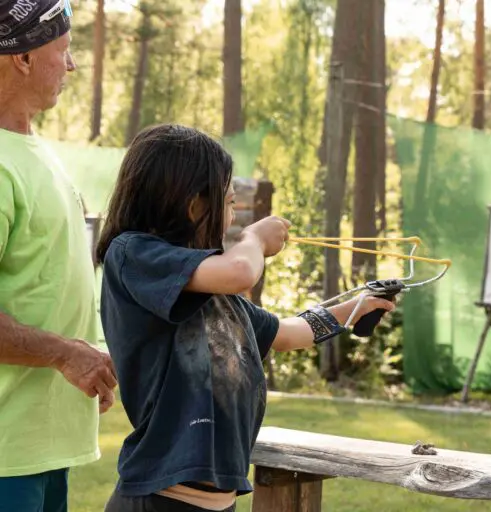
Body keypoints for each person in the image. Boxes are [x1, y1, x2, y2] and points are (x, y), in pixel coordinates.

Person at [96, 123, 395, 512]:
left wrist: (355, 308)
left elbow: (288, 334)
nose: (233, 214)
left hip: (215, 504)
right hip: (158, 502)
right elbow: (240, 272)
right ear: (192, 204)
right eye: (230, 203)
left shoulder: (216, 296)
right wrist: (252, 239)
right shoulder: (133, 255)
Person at [0, 0, 118, 510]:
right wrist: (66, 353)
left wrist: (87, 355)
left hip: (45, 446)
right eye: (63, 50)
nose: (71, 66)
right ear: (22, 58)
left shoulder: (39, 152)